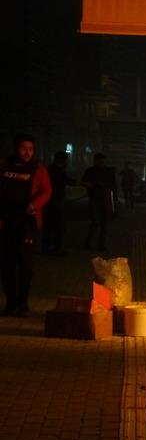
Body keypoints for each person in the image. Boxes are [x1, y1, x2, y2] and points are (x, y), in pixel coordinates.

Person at [0, 134, 51, 317]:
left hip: (27, 223)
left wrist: (34, 205)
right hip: (6, 222)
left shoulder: (38, 169)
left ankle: (23, 304)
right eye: (23, 148)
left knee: (24, 264)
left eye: (30, 149)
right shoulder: (4, 166)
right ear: (16, 148)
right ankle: (10, 303)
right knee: (6, 264)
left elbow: (46, 190)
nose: (27, 152)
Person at [42, 151, 76, 255]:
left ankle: (46, 248)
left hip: (48, 202)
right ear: (64, 160)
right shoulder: (58, 171)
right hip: (56, 202)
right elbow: (68, 181)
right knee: (59, 226)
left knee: (49, 226)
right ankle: (56, 249)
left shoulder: (49, 169)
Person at [81, 153, 116, 251]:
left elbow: (83, 182)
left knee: (98, 223)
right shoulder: (108, 171)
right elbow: (113, 185)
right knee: (100, 223)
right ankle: (99, 244)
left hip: (97, 198)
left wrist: (91, 185)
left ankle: (91, 243)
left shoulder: (91, 171)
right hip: (102, 198)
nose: (101, 162)